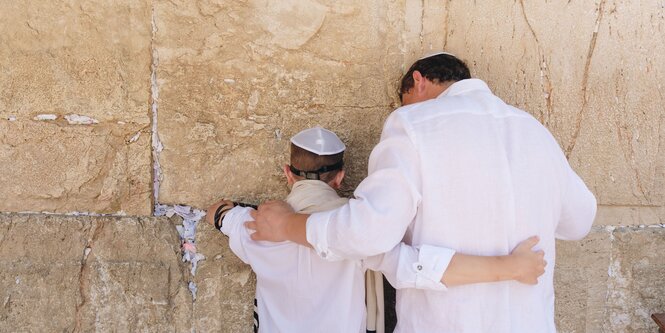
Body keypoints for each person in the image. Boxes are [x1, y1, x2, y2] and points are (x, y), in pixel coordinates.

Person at [247, 53, 598, 332]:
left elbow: (367, 233)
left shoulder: (413, 123)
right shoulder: (534, 130)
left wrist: (286, 226)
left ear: (417, 81)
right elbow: (580, 221)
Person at [208, 126, 547, 333]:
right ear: (341, 176)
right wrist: (511, 267)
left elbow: (218, 214)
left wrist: (231, 210)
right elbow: (421, 267)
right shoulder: (358, 229)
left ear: (287, 172)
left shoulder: (255, 225)